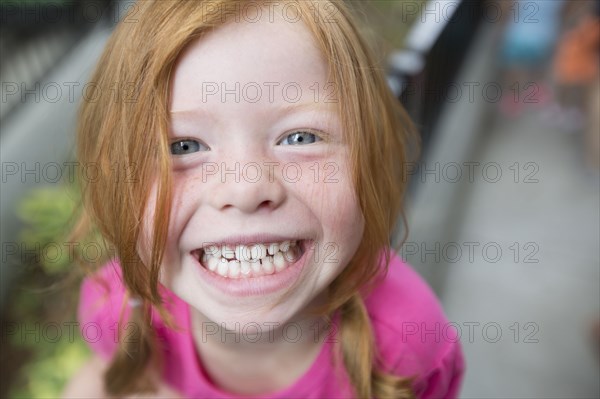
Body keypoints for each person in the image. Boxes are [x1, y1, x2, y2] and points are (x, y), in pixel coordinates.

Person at [62, 1, 464, 398]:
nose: (246, 189)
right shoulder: (115, 303)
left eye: (300, 137)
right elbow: (103, 376)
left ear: (370, 159)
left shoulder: (412, 340)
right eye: (182, 145)